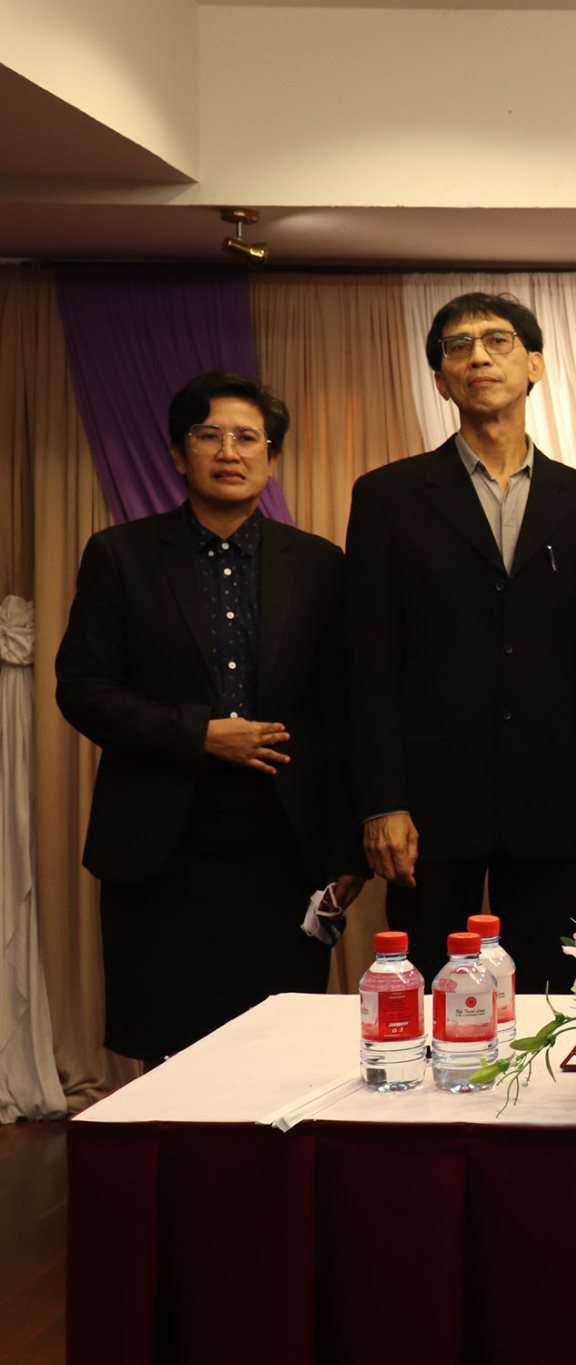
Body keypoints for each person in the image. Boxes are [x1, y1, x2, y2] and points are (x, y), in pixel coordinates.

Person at [56, 372, 359, 1060]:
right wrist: (197, 733)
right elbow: (82, 688)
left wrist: (346, 849)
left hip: (286, 846)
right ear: (177, 454)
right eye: (209, 435)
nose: (229, 451)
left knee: (282, 1052)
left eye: (248, 437)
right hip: (161, 843)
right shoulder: (120, 555)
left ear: (272, 457)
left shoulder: (319, 564)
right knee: (171, 1053)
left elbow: (342, 713)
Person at [347, 292, 576, 989]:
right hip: (427, 802)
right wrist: (382, 801)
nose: (478, 356)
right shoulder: (387, 498)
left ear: (534, 365)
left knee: (548, 1000)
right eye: (458, 346)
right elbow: (369, 659)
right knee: (420, 990)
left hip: (551, 800)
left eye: (498, 341)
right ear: (441, 381)